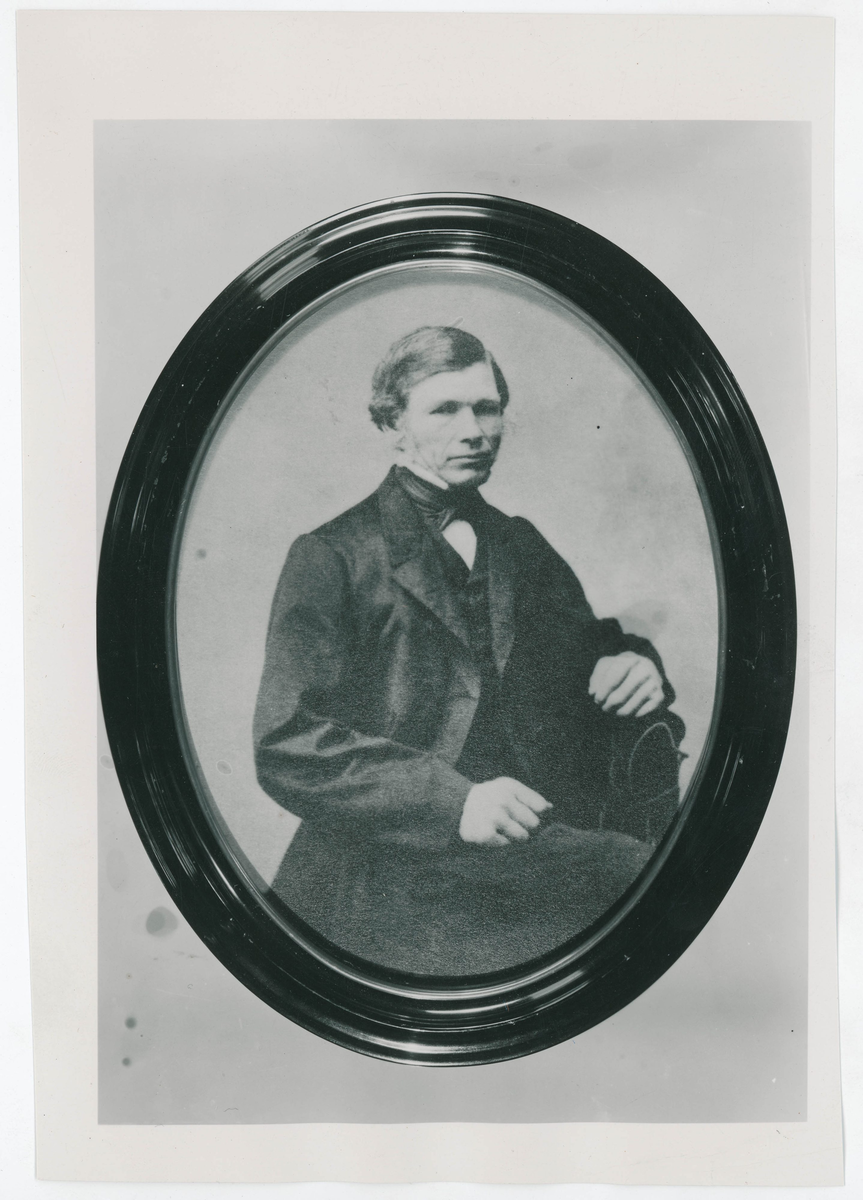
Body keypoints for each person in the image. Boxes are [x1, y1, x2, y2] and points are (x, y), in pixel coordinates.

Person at [254, 326, 684, 975]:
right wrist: (453, 803)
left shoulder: (518, 543)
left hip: (523, 848)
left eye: (486, 408)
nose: (474, 431)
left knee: (655, 882)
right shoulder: (333, 555)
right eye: (445, 410)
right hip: (392, 870)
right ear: (392, 425)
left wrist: (632, 663)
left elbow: (589, 647)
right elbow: (286, 742)